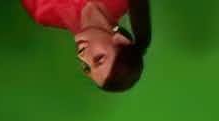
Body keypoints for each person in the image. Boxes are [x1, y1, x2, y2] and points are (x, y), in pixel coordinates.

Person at [20, 0, 151, 91]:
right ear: (120, 40)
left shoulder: (43, 10)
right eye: (98, 59)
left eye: (86, 67)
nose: (82, 56)